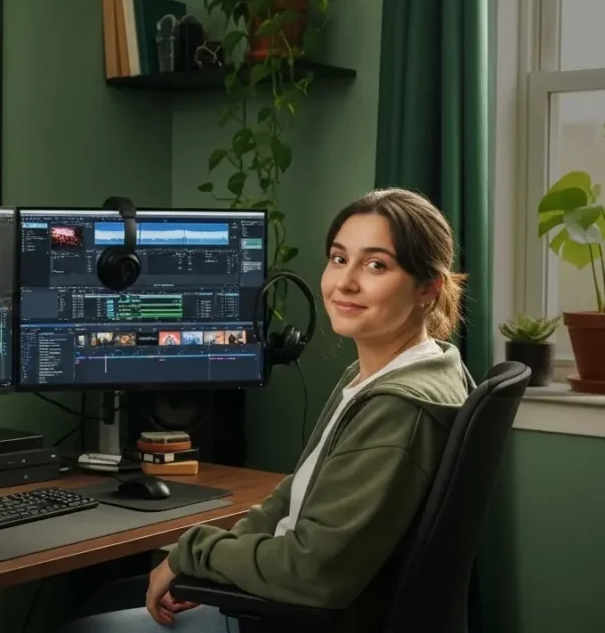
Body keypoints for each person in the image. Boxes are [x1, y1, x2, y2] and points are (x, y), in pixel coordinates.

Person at [59, 188, 476, 633]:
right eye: (339, 259)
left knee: (84, 627)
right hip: (285, 603)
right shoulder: (406, 372)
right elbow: (294, 496)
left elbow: (310, 570)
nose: (345, 282)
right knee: (107, 597)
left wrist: (193, 554)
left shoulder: (399, 408)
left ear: (428, 288)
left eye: (376, 265)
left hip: (289, 616)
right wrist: (215, 555)